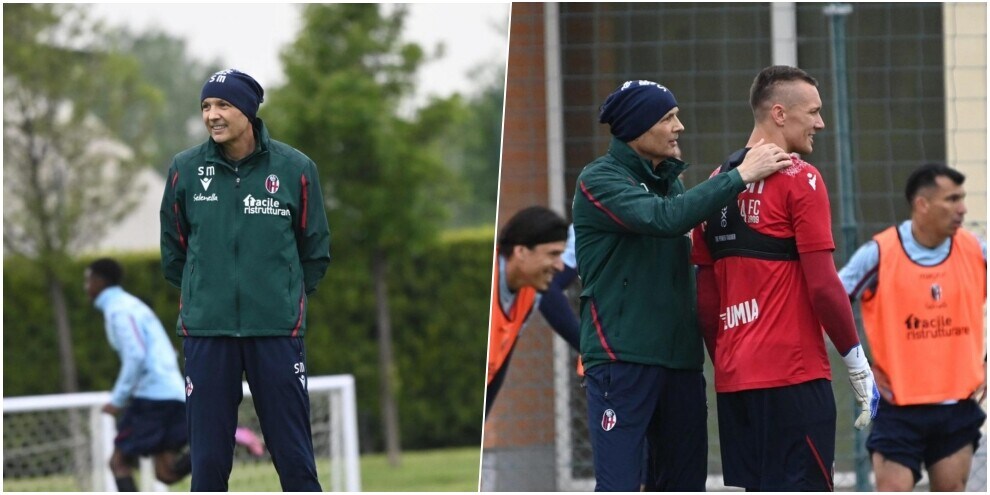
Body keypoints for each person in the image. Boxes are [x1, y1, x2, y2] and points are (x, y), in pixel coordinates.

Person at [571, 79, 793, 491]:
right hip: (622, 361)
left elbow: (682, 219)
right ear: (639, 128)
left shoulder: (669, 181)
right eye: (668, 117)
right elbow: (665, 219)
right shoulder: (599, 179)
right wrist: (740, 175)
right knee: (619, 485)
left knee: (684, 485)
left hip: (681, 365)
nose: (680, 127)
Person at [691, 65, 879, 491]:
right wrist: (857, 366)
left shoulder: (715, 184)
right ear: (779, 113)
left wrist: (728, 363)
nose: (820, 123)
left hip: (736, 383)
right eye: (812, 111)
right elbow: (824, 287)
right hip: (793, 378)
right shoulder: (801, 178)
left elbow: (705, 301)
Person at [159, 69, 331, 491]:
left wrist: (279, 297)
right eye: (206, 107)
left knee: (294, 458)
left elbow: (315, 251)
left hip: (275, 332)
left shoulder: (296, 169)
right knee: (210, 463)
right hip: (207, 334)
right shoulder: (185, 170)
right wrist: (207, 295)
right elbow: (173, 252)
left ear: (249, 112)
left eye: (223, 106)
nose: (212, 116)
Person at [839, 163, 986, 491]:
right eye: (952, 199)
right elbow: (830, 303)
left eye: (962, 198)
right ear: (923, 204)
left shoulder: (976, 250)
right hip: (898, 408)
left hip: (956, 406)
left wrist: (985, 360)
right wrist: (860, 365)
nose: (962, 208)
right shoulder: (879, 253)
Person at [85, 258, 265, 492]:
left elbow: (136, 356)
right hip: (172, 394)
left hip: (153, 399)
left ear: (100, 281)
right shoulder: (132, 305)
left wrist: (118, 398)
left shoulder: (118, 310)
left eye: (88, 280)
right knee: (166, 473)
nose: (86, 286)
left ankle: (229, 436)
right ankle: (230, 436)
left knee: (118, 462)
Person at [486, 205, 570, 416]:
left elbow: (499, 366)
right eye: (553, 254)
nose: (560, 266)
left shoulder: (530, 294)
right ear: (521, 251)